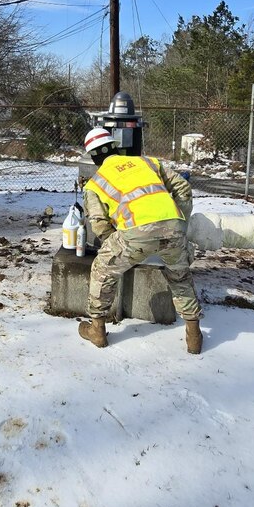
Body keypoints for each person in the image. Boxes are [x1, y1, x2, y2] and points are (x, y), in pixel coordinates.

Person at [78, 127, 204, 353]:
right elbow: (183, 187)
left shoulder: (95, 183)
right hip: (173, 227)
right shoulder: (148, 162)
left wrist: (118, 246)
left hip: (135, 233)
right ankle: (193, 335)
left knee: (102, 270)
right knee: (180, 275)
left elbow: (98, 223)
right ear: (115, 147)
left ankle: (97, 330)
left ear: (93, 156)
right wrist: (180, 224)